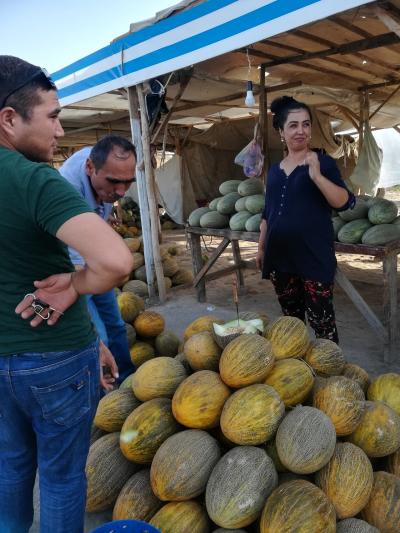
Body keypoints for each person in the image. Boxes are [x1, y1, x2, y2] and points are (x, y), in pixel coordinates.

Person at [0, 56, 133, 533]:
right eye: (53, 116)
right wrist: (76, 285)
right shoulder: (35, 179)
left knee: (11, 468)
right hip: (52, 357)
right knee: (59, 477)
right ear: (10, 119)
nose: (60, 131)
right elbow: (116, 262)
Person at [256, 96, 354, 343]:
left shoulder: (323, 163)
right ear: (281, 131)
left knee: (323, 326)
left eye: (306, 124)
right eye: (293, 125)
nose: (301, 130)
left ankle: (329, 375)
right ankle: (297, 372)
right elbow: (268, 212)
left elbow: (344, 202)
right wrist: (261, 246)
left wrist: (317, 176)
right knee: (291, 325)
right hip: (279, 258)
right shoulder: (275, 170)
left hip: (313, 257)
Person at [59, 135, 137, 382]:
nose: (121, 191)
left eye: (128, 182)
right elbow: (72, 255)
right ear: (90, 168)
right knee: (98, 336)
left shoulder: (100, 165)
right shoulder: (67, 189)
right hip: (71, 266)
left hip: (93, 260)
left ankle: (125, 378)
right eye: (114, 182)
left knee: (116, 325)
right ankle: (103, 394)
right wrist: (79, 291)